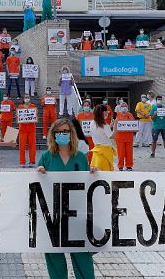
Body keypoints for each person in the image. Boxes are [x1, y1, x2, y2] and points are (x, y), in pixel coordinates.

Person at [37, 118, 96, 279]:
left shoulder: (81, 157)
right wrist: (39, 172)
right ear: (53, 134)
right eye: (58, 132)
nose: (61, 134)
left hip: (77, 215)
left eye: (65, 131)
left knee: (82, 256)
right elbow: (38, 184)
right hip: (53, 214)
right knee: (54, 255)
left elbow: (88, 184)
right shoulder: (46, 157)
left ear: (71, 134)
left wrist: (93, 173)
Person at [91, 104, 115, 171]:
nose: (108, 113)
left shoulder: (92, 123)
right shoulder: (104, 125)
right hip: (105, 152)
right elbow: (111, 136)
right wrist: (115, 127)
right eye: (107, 111)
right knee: (106, 173)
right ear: (104, 112)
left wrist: (110, 126)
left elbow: (102, 131)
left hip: (97, 151)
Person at [112, 102, 135, 171]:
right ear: (120, 107)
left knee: (129, 152)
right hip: (120, 137)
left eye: (125, 106)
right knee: (120, 152)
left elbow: (134, 124)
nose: (124, 108)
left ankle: (129, 165)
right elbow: (114, 125)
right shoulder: (117, 115)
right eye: (122, 106)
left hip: (129, 137)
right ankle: (120, 166)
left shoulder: (130, 115)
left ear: (127, 107)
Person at [16, 95, 38, 167]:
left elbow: (35, 116)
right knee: (22, 146)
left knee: (32, 146)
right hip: (23, 129)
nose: (27, 99)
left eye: (28, 97)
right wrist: (21, 118)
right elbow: (17, 116)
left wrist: (35, 115)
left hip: (32, 129)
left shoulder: (33, 106)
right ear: (23, 99)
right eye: (25, 98)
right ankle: (22, 162)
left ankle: (32, 161)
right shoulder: (20, 107)